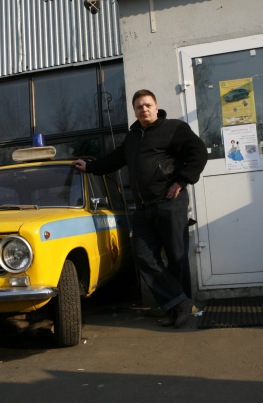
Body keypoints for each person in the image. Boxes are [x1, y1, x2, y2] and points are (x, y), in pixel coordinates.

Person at [73, 89, 208, 327]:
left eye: (147, 105)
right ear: (134, 112)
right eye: (139, 107)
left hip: (170, 202)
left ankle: (178, 311)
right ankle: (180, 304)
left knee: (176, 258)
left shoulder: (174, 128)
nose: (144, 109)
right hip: (144, 208)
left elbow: (198, 152)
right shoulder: (133, 137)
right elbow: (114, 160)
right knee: (143, 256)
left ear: (156, 107)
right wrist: (90, 167)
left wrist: (181, 180)